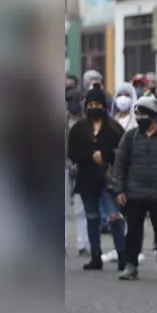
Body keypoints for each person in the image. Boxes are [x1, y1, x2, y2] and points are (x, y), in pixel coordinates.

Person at [111, 96, 157, 281]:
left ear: (153, 116)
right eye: (137, 114)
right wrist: (119, 190)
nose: (139, 118)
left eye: (143, 114)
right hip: (134, 192)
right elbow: (120, 164)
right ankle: (131, 265)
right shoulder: (130, 137)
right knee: (133, 231)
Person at [67, 85, 126, 270]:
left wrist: (106, 155)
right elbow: (73, 152)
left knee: (114, 216)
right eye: (91, 103)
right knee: (91, 216)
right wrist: (90, 156)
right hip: (87, 179)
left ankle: (122, 254)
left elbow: (122, 153)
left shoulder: (115, 129)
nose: (94, 107)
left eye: (98, 104)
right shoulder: (79, 129)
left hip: (109, 181)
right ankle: (95, 255)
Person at [66, 88, 90, 257]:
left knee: (82, 208)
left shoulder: (87, 122)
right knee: (62, 209)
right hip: (63, 167)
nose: (73, 103)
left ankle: (83, 243)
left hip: (82, 167)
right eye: (70, 100)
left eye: (77, 100)